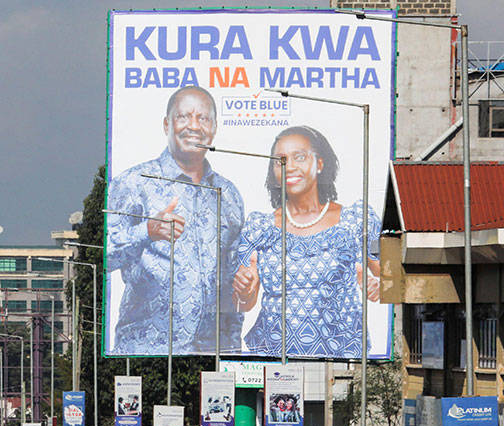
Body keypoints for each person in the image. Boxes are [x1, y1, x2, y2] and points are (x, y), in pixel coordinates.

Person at [107, 85, 245, 354]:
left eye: (203, 118)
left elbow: (234, 276)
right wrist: (147, 230)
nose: (194, 126)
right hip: (147, 352)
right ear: (166, 124)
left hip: (216, 354)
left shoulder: (228, 194)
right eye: (184, 117)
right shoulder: (134, 183)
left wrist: (247, 288)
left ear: (214, 128)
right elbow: (103, 257)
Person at [232, 126, 380, 358]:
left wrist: (378, 285)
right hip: (271, 360)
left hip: (340, 361)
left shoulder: (357, 221)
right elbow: (244, 304)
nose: (289, 166)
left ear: (320, 164)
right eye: (279, 160)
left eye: (299, 157)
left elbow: (389, 274)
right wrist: (244, 291)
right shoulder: (259, 227)